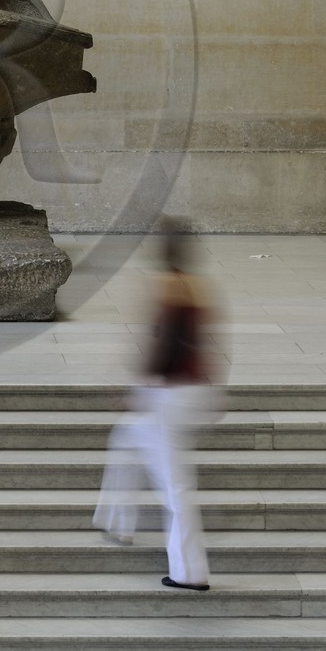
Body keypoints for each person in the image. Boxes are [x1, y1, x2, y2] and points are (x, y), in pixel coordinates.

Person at [92, 222, 227, 592]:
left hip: (170, 394)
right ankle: (119, 522)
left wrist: (142, 382)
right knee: (126, 436)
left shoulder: (166, 285)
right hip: (189, 392)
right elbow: (206, 343)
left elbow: (166, 341)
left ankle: (189, 572)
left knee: (175, 486)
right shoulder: (198, 285)